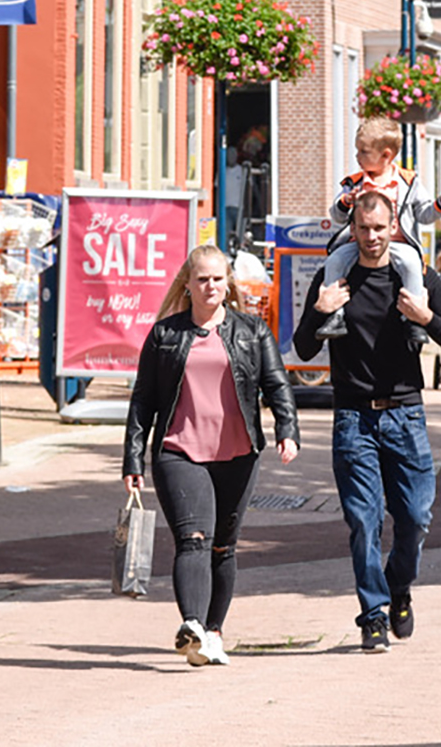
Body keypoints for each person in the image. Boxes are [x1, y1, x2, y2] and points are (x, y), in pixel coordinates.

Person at [293, 191, 441, 652]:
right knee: (364, 521)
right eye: (363, 229)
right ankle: (372, 615)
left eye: (378, 228)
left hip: (406, 415)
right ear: (352, 230)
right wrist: (321, 310)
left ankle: (399, 587)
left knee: (416, 518)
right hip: (354, 418)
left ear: (394, 227)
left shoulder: (417, 276)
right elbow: (303, 348)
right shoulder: (335, 277)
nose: (371, 237)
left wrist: (426, 317)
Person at [123, 244, 299, 667]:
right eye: (202, 279)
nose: (210, 286)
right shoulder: (165, 335)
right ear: (188, 283)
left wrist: (287, 431)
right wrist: (132, 458)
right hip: (178, 451)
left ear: (228, 283)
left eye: (218, 279)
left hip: (238, 454)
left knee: (223, 546)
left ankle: (213, 633)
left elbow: (277, 385)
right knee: (193, 539)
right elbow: (143, 400)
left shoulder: (252, 331)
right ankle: (192, 624)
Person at [315, 117, 441, 344]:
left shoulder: (408, 182)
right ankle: (335, 315)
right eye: (357, 150)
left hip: (398, 244)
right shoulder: (354, 183)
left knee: (412, 263)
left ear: (386, 155)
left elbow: (425, 214)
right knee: (334, 261)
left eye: (363, 151)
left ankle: (413, 319)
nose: (357, 156)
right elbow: (337, 216)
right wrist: (346, 201)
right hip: (358, 243)